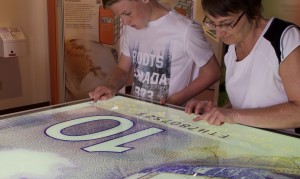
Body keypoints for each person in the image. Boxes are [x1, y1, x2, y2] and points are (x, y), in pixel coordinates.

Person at [185, 0, 300, 131]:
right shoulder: (232, 47)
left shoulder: (285, 39)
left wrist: (234, 115)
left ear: (253, 13)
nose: (218, 33)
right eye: (212, 23)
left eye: (227, 24)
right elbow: (247, 104)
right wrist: (218, 112)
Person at [89, 0, 221, 106]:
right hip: (138, 114)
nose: (125, 21)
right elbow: (122, 69)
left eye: (127, 13)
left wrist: (175, 100)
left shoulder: (186, 30)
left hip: (172, 119)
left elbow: (213, 72)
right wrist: (111, 85)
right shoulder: (131, 29)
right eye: (120, 16)